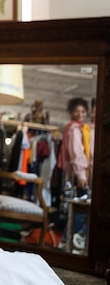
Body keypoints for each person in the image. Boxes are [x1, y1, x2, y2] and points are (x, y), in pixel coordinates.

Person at [57, 97, 91, 251]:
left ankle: (67, 240)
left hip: (77, 172)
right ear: (71, 112)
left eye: (83, 111)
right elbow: (76, 153)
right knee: (78, 206)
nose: (80, 114)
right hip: (77, 173)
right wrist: (82, 174)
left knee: (75, 206)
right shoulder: (75, 129)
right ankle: (68, 240)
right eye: (77, 111)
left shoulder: (82, 128)